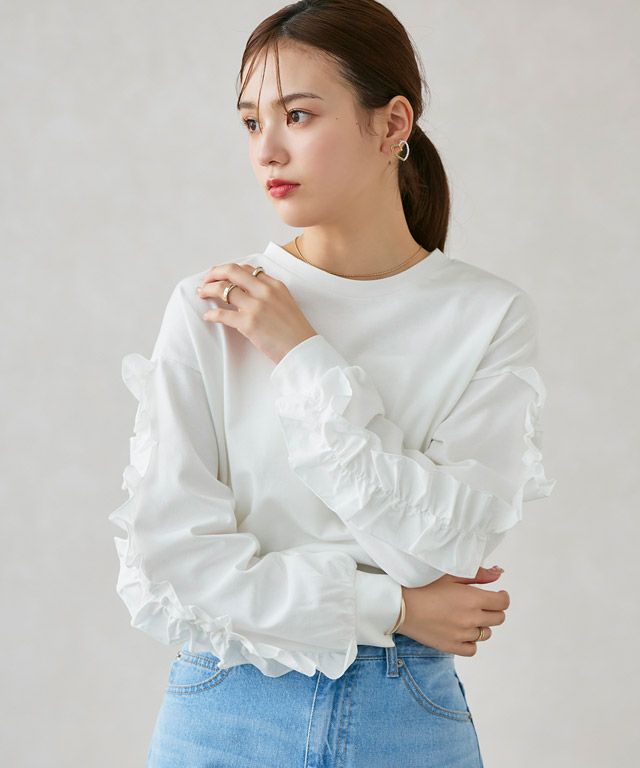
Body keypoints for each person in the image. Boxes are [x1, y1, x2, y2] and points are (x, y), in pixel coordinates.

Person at [108, 1, 556, 765]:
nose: (267, 149)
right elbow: (174, 563)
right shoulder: (212, 307)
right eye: (251, 122)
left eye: (298, 115)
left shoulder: (486, 316)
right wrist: (393, 606)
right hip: (225, 714)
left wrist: (301, 355)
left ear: (391, 125)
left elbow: (439, 546)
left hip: (407, 721)